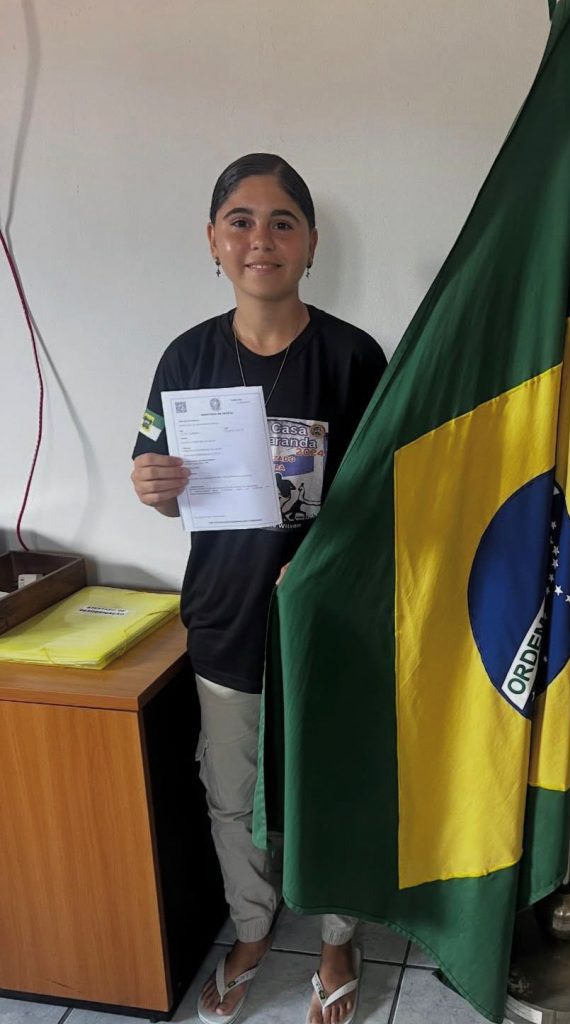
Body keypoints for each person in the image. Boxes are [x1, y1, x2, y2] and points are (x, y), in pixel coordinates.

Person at [131, 153, 387, 1024]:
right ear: (213, 240)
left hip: (331, 627)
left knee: (330, 788)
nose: (260, 240)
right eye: (240, 221)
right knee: (231, 797)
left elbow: (388, 501)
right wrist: (152, 487)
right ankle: (250, 928)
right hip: (226, 621)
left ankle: (337, 937)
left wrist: (318, 563)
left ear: (311, 243)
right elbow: (165, 484)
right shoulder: (185, 357)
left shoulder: (354, 357)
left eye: (282, 222)